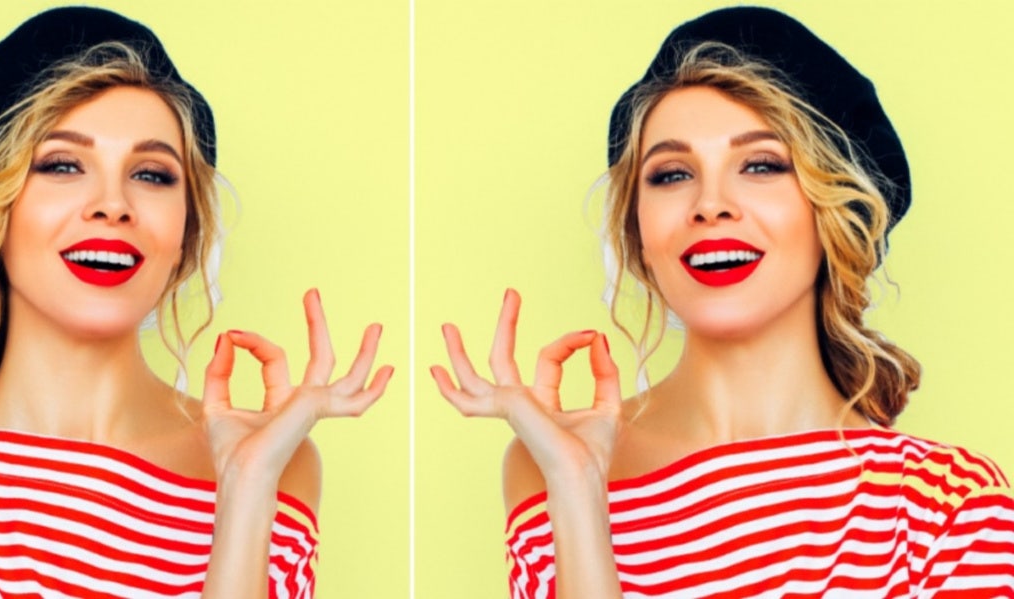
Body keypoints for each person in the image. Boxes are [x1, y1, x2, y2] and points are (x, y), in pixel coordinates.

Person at [431, 7, 1014, 597]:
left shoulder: (946, 509)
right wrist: (578, 488)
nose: (711, 204)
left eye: (761, 165)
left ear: (835, 215)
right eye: (671, 174)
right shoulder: (547, 466)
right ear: (638, 234)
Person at [0, 7, 392, 598]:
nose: (112, 204)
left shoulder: (275, 466)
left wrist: (245, 487)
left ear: (186, 235)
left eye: (152, 174)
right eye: (63, 165)